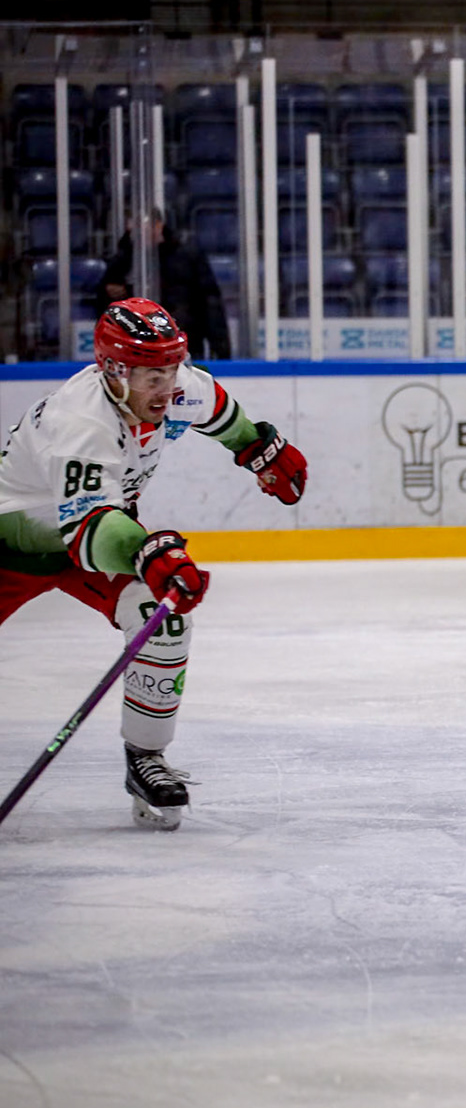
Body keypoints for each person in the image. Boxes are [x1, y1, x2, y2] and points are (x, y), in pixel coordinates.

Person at [0, 297, 307, 829]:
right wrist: (149, 553)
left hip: (93, 534)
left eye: (170, 369)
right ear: (114, 371)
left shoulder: (175, 386)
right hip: (15, 545)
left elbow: (218, 411)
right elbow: (88, 532)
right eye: (151, 376)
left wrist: (258, 449)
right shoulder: (81, 420)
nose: (166, 388)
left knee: (159, 615)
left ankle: (145, 757)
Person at [102, 212, 233, 360]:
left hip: (185, 341)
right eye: (133, 231)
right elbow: (106, 303)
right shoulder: (123, 259)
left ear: (158, 226)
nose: (137, 235)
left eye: (141, 228)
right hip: (136, 346)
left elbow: (209, 302)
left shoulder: (187, 256)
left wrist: (220, 346)